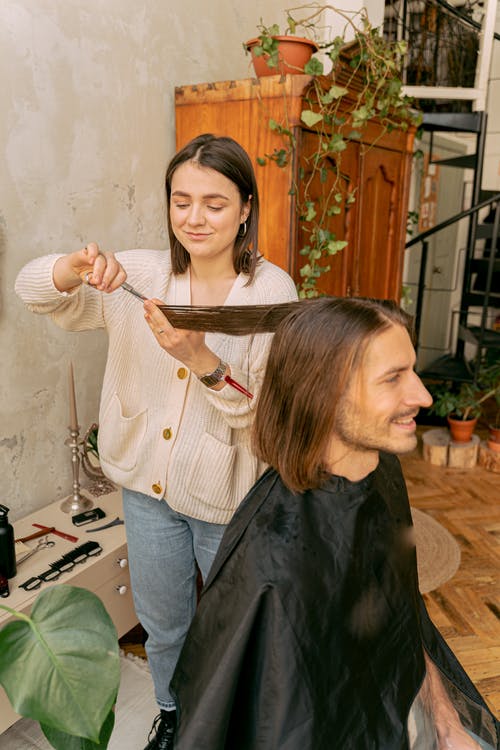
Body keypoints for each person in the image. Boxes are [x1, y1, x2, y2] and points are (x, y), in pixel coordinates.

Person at [15, 133, 298, 750]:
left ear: (247, 207)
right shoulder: (138, 274)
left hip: (228, 501)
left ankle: (233, 726)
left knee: (236, 632)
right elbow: (33, 291)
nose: (194, 218)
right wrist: (74, 267)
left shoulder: (272, 294)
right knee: (165, 625)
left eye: (215, 203)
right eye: (181, 200)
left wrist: (204, 363)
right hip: (145, 493)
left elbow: (268, 419)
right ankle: (172, 714)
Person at [170, 296, 499, 750]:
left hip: (403, 709)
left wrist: (443, 722)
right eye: (393, 379)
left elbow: (404, 614)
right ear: (323, 392)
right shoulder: (273, 560)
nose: (423, 397)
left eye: (412, 370)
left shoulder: (382, 471)